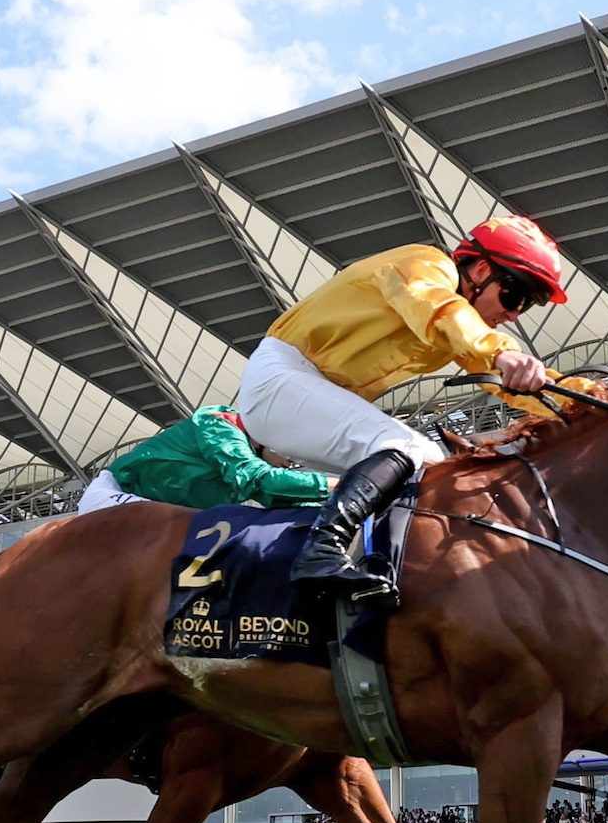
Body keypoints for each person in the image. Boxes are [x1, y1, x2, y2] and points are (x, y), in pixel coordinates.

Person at [236, 214, 569, 607]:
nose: (513, 313)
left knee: (432, 461)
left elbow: (516, 389)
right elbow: (439, 309)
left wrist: (600, 399)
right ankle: (320, 553)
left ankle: (379, 564)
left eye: (525, 307)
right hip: (279, 376)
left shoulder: (459, 327)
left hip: (300, 389)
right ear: (480, 269)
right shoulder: (426, 266)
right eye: (514, 298)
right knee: (404, 445)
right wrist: (503, 351)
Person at [77, 405, 331, 514]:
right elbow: (260, 479)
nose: (289, 466)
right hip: (112, 494)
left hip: (158, 507)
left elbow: (286, 501)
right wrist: (342, 484)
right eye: (291, 458)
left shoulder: (249, 460)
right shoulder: (220, 423)